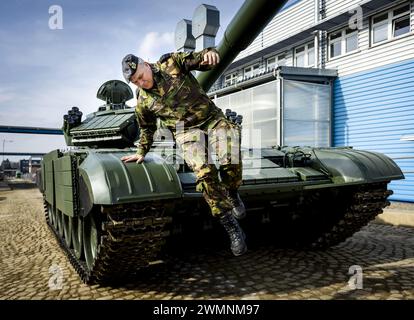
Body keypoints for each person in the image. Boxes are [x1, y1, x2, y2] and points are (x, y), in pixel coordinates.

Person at [120, 48, 247, 256]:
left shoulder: (171, 63)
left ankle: (233, 192)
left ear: (145, 64)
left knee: (230, 157)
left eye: (141, 77)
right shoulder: (143, 101)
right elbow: (146, 128)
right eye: (135, 82)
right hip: (185, 132)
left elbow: (200, 59)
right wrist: (141, 151)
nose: (141, 83)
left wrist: (210, 55)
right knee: (205, 174)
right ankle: (231, 226)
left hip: (211, 118)